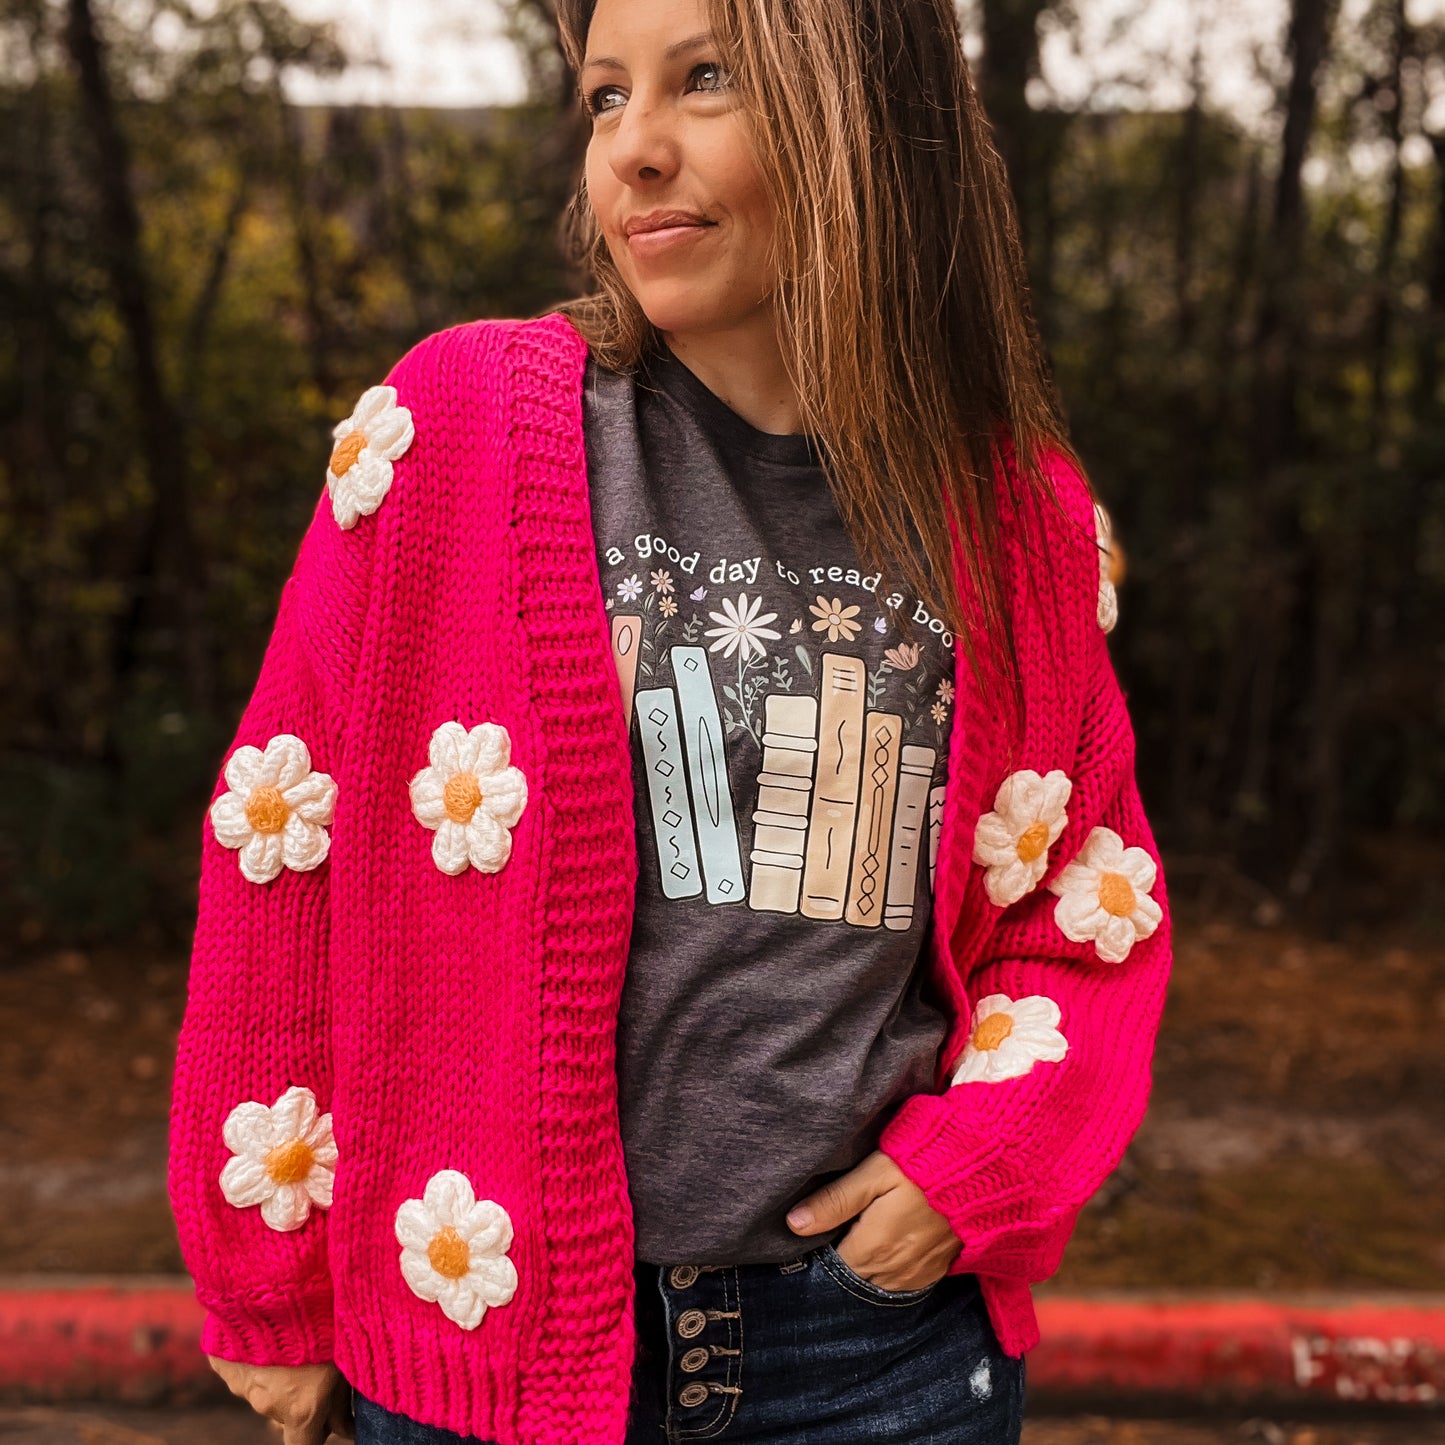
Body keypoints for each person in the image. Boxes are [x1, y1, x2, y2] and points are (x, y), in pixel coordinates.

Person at [169, 0, 1172, 1441]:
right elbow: (283, 847)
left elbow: (1083, 906)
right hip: (481, 1337)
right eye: (602, 98)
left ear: (867, 128)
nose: (634, 147)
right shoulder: (451, 432)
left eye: (704, 82)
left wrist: (976, 1166)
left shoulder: (1014, 520)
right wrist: (268, 1279)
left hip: (867, 1354)